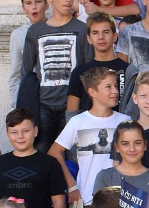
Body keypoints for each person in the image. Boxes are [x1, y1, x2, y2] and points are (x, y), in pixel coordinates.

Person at [18, 0, 90, 151]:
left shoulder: (82, 29)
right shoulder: (35, 31)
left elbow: (89, 71)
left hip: (73, 106)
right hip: (43, 106)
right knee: (41, 155)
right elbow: (26, 72)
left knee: (73, 157)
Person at [50, 67, 129, 199]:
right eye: (108, 87)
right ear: (92, 92)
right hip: (88, 198)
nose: (115, 91)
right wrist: (71, 184)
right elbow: (54, 152)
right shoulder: (78, 122)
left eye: (116, 86)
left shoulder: (125, 121)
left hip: (121, 198)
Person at [66, 12, 130, 114]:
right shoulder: (79, 72)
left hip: (122, 123)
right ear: (89, 38)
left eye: (106, 32)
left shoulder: (128, 70)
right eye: (95, 33)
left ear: (114, 36)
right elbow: (71, 113)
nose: (101, 37)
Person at [8, 0, 49, 106]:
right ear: (23, 8)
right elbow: (16, 74)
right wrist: (18, 104)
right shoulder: (18, 34)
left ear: (46, 5)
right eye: (29, 3)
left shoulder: (56, 28)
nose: (34, 7)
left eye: (38, 2)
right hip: (31, 94)